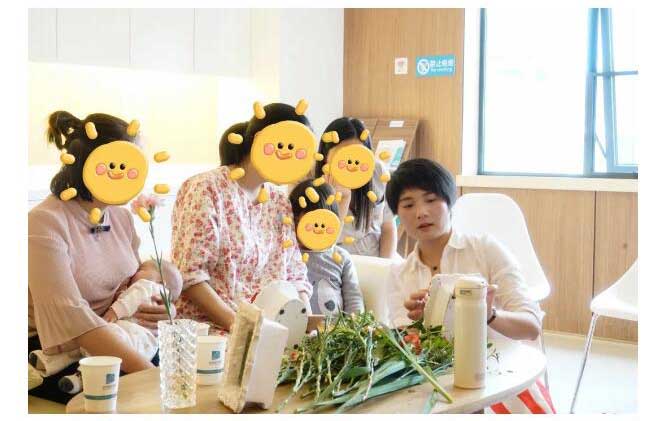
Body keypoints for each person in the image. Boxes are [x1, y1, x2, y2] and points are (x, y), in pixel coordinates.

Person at [28, 111, 183, 403]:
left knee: (185, 368)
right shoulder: (43, 224)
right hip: (54, 352)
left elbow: (134, 284)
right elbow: (73, 319)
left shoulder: (121, 217)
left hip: (115, 336)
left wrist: (162, 309)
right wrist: (150, 376)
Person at [385, 158, 555, 414]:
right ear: (398, 215)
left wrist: (488, 315)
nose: (421, 212)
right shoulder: (399, 274)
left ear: (449, 202)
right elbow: (407, 349)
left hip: (498, 374)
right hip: (436, 384)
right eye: (408, 205)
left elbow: (531, 327)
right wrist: (420, 326)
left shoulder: (485, 250)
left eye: (431, 200)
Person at [172, 104, 313, 333]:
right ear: (259, 140)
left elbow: (295, 273)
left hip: (272, 330)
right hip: (212, 331)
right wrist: (245, 329)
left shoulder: (278, 201)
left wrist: (304, 325)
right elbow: (191, 277)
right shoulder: (206, 188)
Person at [315, 117, 398, 259]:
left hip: (374, 252)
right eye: (342, 157)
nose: (351, 165)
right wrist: (337, 199)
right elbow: (320, 245)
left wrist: (385, 264)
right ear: (325, 157)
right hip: (334, 256)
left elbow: (388, 226)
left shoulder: (377, 172)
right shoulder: (312, 185)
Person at [288, 179, 364, 316]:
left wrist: (354, 324)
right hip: (298, 327)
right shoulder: (288, 255)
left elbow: (354, 300)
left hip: (336, 328)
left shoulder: (341, 257)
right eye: (298, 222)